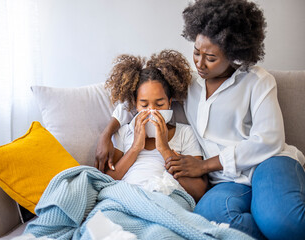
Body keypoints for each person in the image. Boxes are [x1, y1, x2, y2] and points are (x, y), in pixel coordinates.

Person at [95, 0, 305, 239]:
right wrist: (106, 135)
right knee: (208, 218)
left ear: (234, 54)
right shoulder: (190, 83)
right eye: (196, 52)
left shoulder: (258, 81)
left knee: (280, 221)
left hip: (268, 164)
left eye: (211, 57)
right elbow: (140, 100)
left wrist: (204, 165)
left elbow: (270, 140)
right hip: (226, 181)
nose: (199, 63)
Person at [104, 50, 207, 202]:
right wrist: (135, 148)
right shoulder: (125, 132)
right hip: (128, 198)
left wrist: (165, 150)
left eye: (159, 104)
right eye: (144, 104)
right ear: (135, 105)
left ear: (169, 103)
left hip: (168, 200)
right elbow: (107, 181)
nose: (152, 111)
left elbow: (198, 191)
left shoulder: (185, 133)